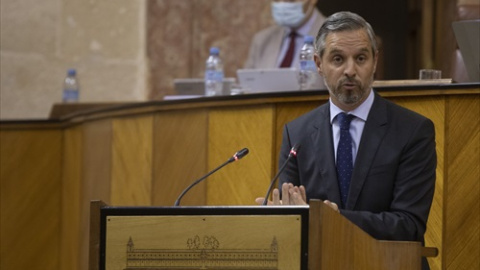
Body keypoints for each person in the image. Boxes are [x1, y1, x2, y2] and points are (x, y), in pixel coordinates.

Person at [256, 11, 436, 270]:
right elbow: (294, 221)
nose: (350, 70)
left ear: (374, 62)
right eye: (338, 59)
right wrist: (278, 215)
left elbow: (408, 224)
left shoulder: (413, 131)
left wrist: (334, 220)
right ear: (319, 64)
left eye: (361, 58)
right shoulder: (297, 134)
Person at [244, 0, 326, 69]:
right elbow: (246, 84)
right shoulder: (262, 40)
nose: (282, 4)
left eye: (290, 0)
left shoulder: (332, 36)